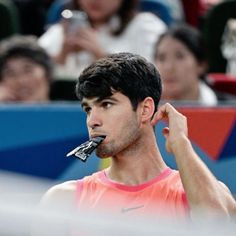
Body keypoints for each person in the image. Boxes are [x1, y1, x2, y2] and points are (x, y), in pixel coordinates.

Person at [39, 53, 236, 231]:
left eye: (106, 104)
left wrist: (181, 145)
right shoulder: (63, 200)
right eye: (88, 109)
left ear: (145, 110)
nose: (92, 121)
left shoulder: (198, 194)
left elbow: (217, 226)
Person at [38, 0, 166, 80]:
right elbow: (31, 66)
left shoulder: (146, 26)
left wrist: (102, 56)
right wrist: (61, 56)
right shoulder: (63, 29)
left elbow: (156, 78)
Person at [154, 24, 235, 105]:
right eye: (161, 58)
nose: (168, 67)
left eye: (179, 56)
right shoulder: (144, 110)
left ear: (201, 64)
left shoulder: (231, 109)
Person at [0, 35, 52, 103]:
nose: (21, 81)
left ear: (47, 74)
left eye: (28, 70)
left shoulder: (68, 111)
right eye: (10, 74)